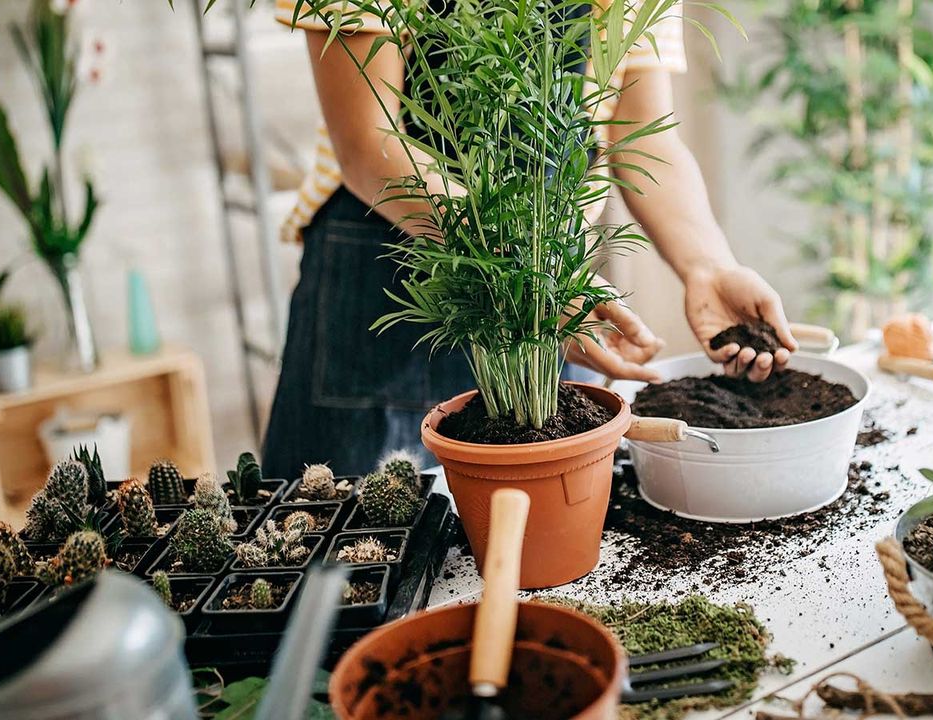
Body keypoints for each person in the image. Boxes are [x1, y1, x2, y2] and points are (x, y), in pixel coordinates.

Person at [262, 0, 799, 478]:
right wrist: (529, 273)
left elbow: (643, 135)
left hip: (549, 286)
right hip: (390, 265)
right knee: (350, 551)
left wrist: (707, 265)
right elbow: (367, 143)